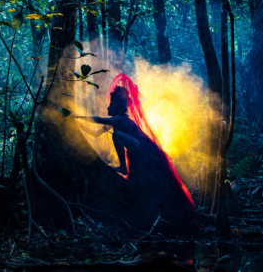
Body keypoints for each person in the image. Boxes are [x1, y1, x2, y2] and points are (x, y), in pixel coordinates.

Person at [77, 74, 197, 224]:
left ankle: (122, 167)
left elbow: (98, 119)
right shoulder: (115, 121)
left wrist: (77, 116)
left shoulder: (120, 119)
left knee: (117, 135)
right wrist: (77, 124)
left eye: (110, 104)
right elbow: (95, 134)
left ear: (116, 106)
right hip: (138, 152)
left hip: (145, 151)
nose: (107, 106)